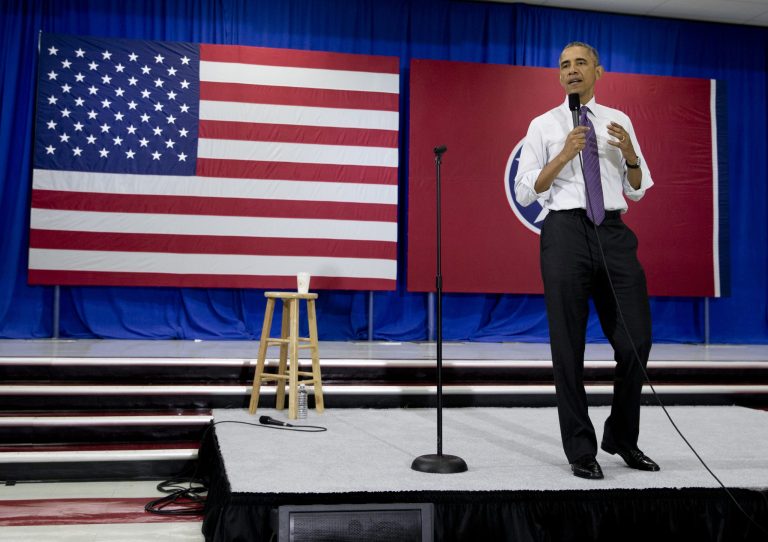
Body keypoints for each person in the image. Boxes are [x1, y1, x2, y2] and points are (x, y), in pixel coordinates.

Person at [514, 42, 659, 480]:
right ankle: (581, 449)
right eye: (564, 65)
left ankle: (622, 437)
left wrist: (631, 153)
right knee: (568, 347)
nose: (572, 71)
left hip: (612, 232)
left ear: (598, 70)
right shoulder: (543, 125)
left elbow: (637, 186)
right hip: (565, 233)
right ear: (559, 77)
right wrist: (563, 154)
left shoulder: (619, 121)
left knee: (638, 340)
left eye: (580, 63)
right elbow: (526, 190)